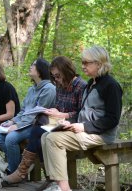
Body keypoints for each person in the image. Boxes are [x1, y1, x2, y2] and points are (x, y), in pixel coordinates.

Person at [41, 46, 122, 191]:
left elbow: (112, 119)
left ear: (99, 63)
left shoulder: (111, 85)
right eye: (82, 62)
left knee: (54, 139)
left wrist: (84, 127)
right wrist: (68, 122)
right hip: (86, 130)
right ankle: (56, 182)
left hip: (101, 135)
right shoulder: (91, 83)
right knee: (45, 136)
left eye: (86, 62)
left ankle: (64, 188)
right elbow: (82, 112)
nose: (83, 66)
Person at [4, 56, 87, 186]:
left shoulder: (81, 86)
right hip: (59, 122)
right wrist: (53, 111)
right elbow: (59, 108)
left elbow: (82, 115)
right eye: (54, 77)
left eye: (58, 76)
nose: (56, 79)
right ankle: (47, 176)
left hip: (75, 125)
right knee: (40, 125)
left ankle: (29, 173)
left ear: (67, 71)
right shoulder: (59, 85)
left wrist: (62, 115)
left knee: (38, 133)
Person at [0, 58, 56, 173]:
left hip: (38, 125)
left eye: (33, 65)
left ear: (40, 70)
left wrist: (18, 126)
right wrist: (12, 121)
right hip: (24, 123)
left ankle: (13, 172)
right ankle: (20, 168)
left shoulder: (49, 89)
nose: (30, 67)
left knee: (10, 138)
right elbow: (23, 110)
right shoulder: (31, 89)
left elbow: (37, 114)